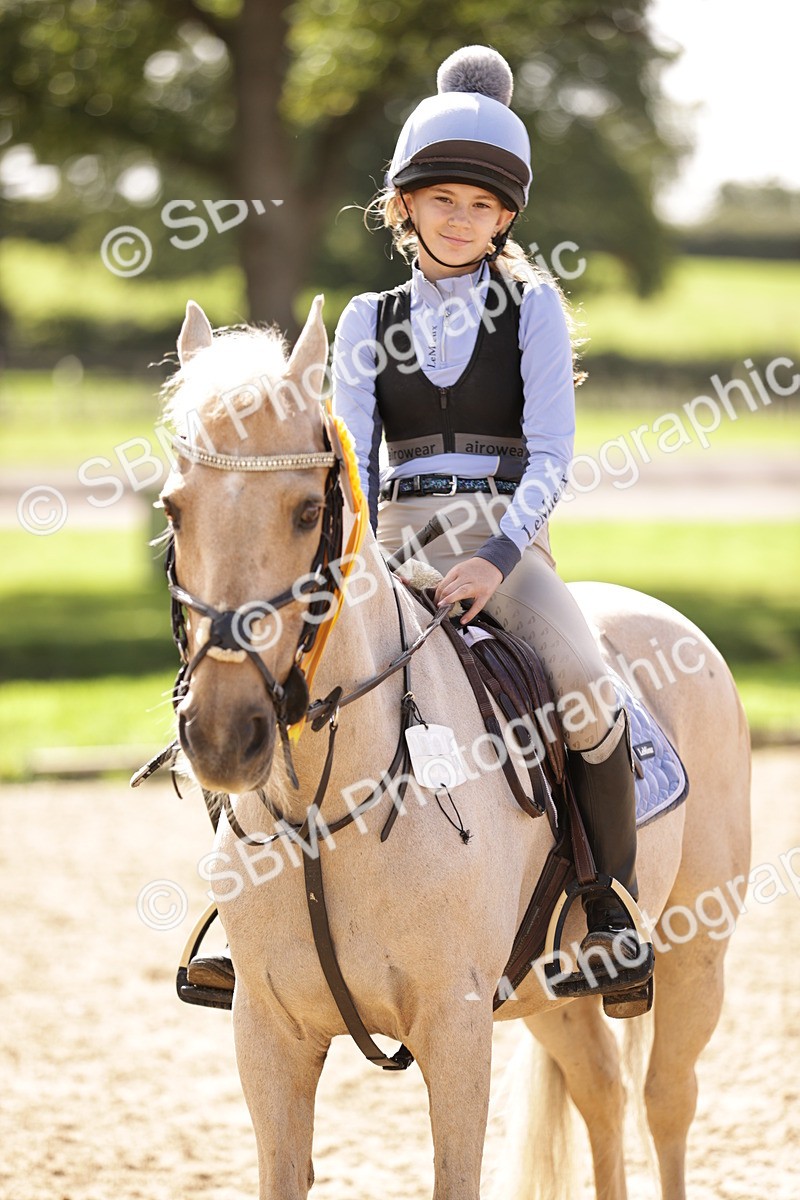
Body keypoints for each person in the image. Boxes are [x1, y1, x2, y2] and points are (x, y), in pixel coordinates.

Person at [331, 45, 650, 990]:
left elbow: (552, 457)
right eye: (443, 200)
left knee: (590, 690)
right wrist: (368, 563)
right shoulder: (363, 317)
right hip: (389, 544)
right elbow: (353, 464)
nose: (462, 219)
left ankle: (612, 915)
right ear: (405, 208)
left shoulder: (533, 308)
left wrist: (498, 560)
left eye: (482, 206)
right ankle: (240, 911)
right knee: (277, 677)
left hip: (503, 542)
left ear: (505, 216)